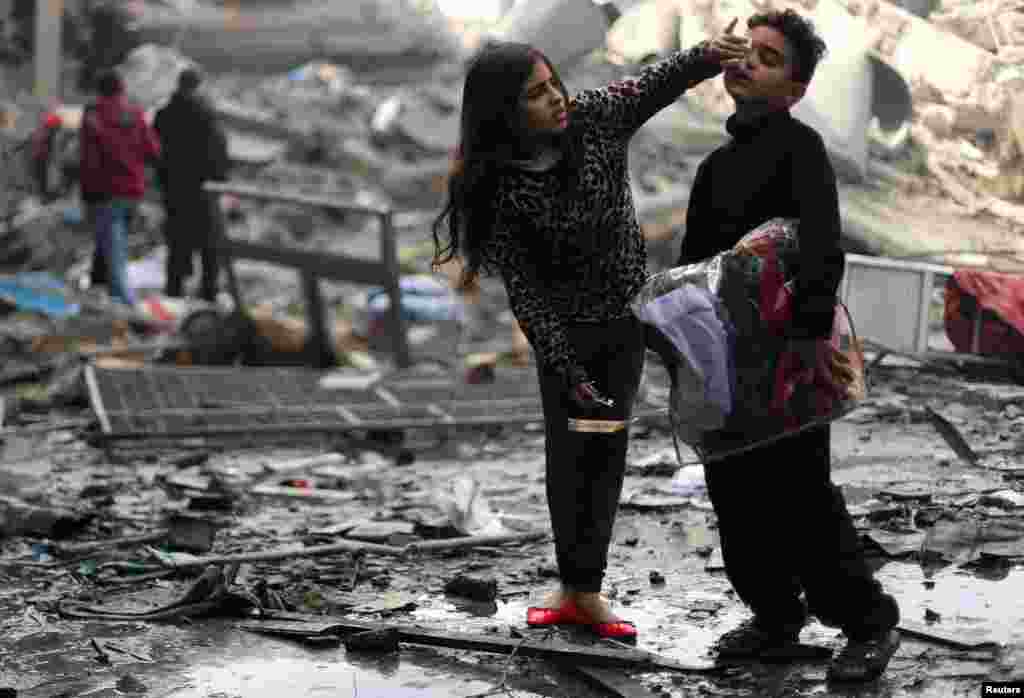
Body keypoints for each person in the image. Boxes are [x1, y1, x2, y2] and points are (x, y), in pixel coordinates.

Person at [432, 30, 747, 640]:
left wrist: (706, 55)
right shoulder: (495, 183)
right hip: (565, 339)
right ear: (504, 113)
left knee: (603, 455)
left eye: (554, 84)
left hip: (625, 326)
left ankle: (586, 590)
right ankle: (573, 585)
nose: (556, 99)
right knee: (567, 456)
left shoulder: (596, 120)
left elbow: (653, 83)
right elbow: (524, 289)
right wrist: (564, 366)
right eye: (535, 94)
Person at [675, 10, 901, 682]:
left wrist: (804, 345)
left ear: (795, 89)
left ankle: (867, 624)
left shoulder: (802, 153)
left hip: (790, 353)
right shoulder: (715, 167)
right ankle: (774, 615)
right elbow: (693, 267)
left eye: (769, 58)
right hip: (727, 358)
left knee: (801, 495)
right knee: (732, 488)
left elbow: (823, 253)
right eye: (746, 50)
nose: (747, 61)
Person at [79, 68, 160, 305]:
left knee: (114, 250)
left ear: (99, 91)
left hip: (105, 191)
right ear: (122, 89)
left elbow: (88, 160)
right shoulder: (135, 114)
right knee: (109, 244)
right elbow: (153, 151)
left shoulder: (93, 116)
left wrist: (87, 193)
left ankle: (126, 303)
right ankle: (99, 291)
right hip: (132, 190)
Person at [153, 68, 230, 301]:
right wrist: (219, 179)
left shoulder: (163, 115)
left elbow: (155, 150)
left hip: (174, 189)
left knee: (177, 243)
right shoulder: (207, 114)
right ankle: (208, 292)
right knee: (209, 244)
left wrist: (161, 178)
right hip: (203, 189)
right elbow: (218, 149)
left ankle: (173, 292)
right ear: (198, 86)